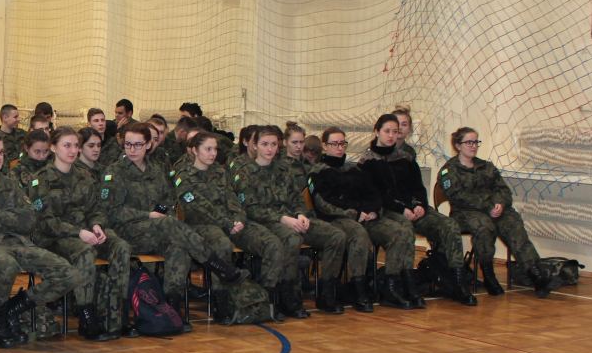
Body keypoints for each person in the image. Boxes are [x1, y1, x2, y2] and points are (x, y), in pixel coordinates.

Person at [100, 122, 248, 325]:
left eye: (138, 144)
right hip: (127, 231)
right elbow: (111, 211)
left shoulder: (156, 170)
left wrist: (162, 213)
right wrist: (148, 215)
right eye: (128, 144)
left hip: (156, 231)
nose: (132, 149)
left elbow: (169, 200)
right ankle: (219, 267)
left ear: (148, 145)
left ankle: (172, 309)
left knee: (179, 248)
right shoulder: (114, 172)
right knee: (169, 225)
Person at [0, 130, 82, 347]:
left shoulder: (10, 183)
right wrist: (11, 217)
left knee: (68, 273)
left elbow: (29, 220)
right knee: (7, 266)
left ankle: (13, 309)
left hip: (17, 243)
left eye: (1, 152)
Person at [358, 113, 476, 305]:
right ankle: (400, 286)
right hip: (388, 211)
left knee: (449, 225)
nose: (391, 135)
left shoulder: (405, 157)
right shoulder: (367, 161)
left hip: (414, 209)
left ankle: (456, 282)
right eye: (387, 131)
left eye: (395, 131)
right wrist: (403, 208)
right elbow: (377, 195)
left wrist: (419, 204)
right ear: (377, 132)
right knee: (403, 231)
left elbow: (418, 187)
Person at [232, 125, 348, 317]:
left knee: (336, 236)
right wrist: (283, 219)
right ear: (255, 146)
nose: (270, 149)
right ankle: (289, 297)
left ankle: (327, 293)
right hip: (267, 221)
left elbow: (297, 198)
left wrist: (301, 214)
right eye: (264, 144)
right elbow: (251, 209)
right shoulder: (245, 172)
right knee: (291, 239)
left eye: (273, 144)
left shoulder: (283, 169)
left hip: (292, 218)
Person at [29, 127, 130, 340]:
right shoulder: (41, 180)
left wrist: (97, 225)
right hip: (54, 238)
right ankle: (86, 316)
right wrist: (79, 232)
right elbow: (45, 222)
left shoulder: (85, 176)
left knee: (120, 246)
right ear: (53, 148)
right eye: (67, 145)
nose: (73, 150)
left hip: (85, 232)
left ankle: (115, 315)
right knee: (85, 252)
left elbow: (96, 209)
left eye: (76, 145)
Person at [175, 132, 286, 316]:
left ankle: (265, 301)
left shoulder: (220, 172)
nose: (213, 153)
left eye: (215, 149)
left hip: (231, 223)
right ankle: (222, 305)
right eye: (208, 149)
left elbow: (232, 198)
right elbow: (199, 208)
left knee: (271, 243)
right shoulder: (183, 176)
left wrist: (239, 218)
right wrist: (226, 222)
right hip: (201, 225)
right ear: (194, 150)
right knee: (222, 245)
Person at [312, 127, 417, 310]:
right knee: (358, 234)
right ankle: (358, 289)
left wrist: (373, 210)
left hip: (367, 216)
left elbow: (373, 193)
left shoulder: (354, 169)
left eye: (342, 143)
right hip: (337, 219)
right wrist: (355, 213)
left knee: (400, 233)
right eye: (334, 144)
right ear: (324, 146)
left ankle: (390, 287)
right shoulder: (318, 172)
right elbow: (324, 204)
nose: (339, 148)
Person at [441, 126, 552, 297]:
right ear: (458, 145)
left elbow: (503, 190)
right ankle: (488, 274)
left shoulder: (486, 166)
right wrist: (488, 206)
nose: (473, 146)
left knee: (512, 222)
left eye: (476, 142)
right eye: (469, 142)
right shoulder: (449, 170)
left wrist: (500, 204)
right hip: (465, 213)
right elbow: (458, 196)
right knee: (484, 227)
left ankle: (534, 273)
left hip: (493, 209)